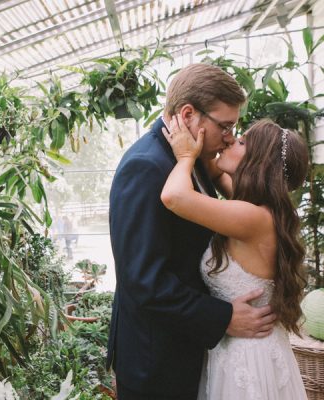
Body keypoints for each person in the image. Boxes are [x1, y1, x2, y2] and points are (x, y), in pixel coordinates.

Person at [107, 63, 277, 400]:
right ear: (188, 115)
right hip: (156, 363)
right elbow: (144, 280)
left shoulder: (193, 157)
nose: (229, 137)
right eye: (225, 126)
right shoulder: (147, 166)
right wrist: (224, 317)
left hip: (185, 350)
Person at [161, 116, 308, 399]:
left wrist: (185, 156)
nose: (230, 139)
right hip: (251, 349)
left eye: (241, 141)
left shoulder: (252, 218)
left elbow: (174, 196)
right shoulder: (265, 210)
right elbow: (216, 174)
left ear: (258, 163)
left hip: (247, 359)